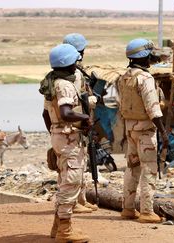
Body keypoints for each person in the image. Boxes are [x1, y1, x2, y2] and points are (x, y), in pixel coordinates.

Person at [41, 44, 91, 242]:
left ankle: (57, 226)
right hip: (69, 139)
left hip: (59, 136)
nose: (76, 66)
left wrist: (54, 134)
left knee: (63, 182)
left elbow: (46, 114)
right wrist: (85, 117)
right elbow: (66, 113)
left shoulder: (51, 82)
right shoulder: (65, 85)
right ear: (69, 63)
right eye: (74, 63)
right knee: (71, 183)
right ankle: (65, 230)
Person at [117, 38, 168, 223]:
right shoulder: (145, 78)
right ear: (144, 56)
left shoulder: (124, 77)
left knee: (132, 169)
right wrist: (163, 132)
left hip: (130, 128)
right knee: (149, 169)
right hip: (146, 130)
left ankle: (128, 208)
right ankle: (147, 211)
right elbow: (153, 109)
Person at [63, 33, 99, 214]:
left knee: (81, 162)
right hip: (75, 122)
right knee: (73, 166)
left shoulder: (72, 71)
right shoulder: (73, 74)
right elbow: (78, 99)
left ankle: (81, 199)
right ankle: (74, 202)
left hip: (77, 122)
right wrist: (93, 100)